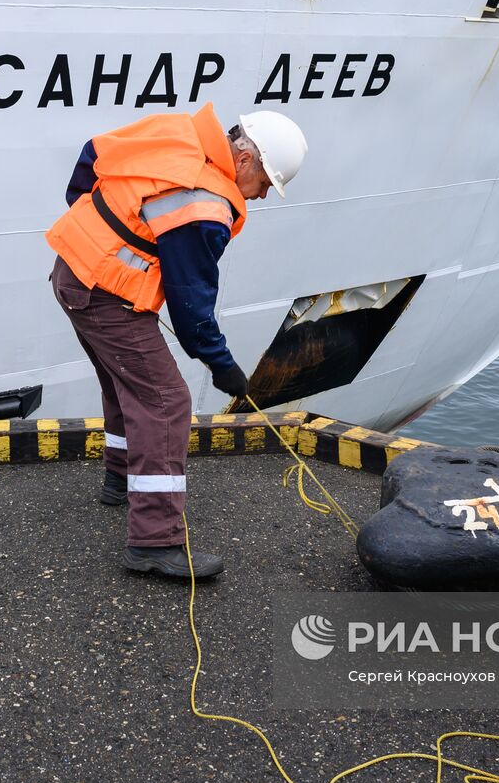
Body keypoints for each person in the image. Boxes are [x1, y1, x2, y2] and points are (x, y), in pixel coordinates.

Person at [46, 103, 307, 579]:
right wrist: (223, 365)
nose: (263, 196)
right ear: (245, 161)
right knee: (166, 401)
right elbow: (191, 308)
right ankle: (155, 542)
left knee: (127, 384)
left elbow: (92, 156)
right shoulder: (205, 204)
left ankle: (120, 480)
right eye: (267, 184)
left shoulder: (174, 132)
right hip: (103, 295)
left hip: (72, 271)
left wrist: (97, 230)